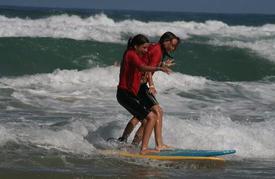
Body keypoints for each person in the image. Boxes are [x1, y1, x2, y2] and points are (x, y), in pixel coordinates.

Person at [118, 32, 180, 150]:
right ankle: (158, 144)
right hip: (140, 87)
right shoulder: (157, 50)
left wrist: (161, 64)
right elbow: (145, 68)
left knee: (140, 117)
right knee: (157, 113)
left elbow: (146, 63)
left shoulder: (154, 49)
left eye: (175, 46)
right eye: (172, 45)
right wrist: (151, 84)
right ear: (166, 41)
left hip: (136, 86)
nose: (173, 48)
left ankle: (125, 141)